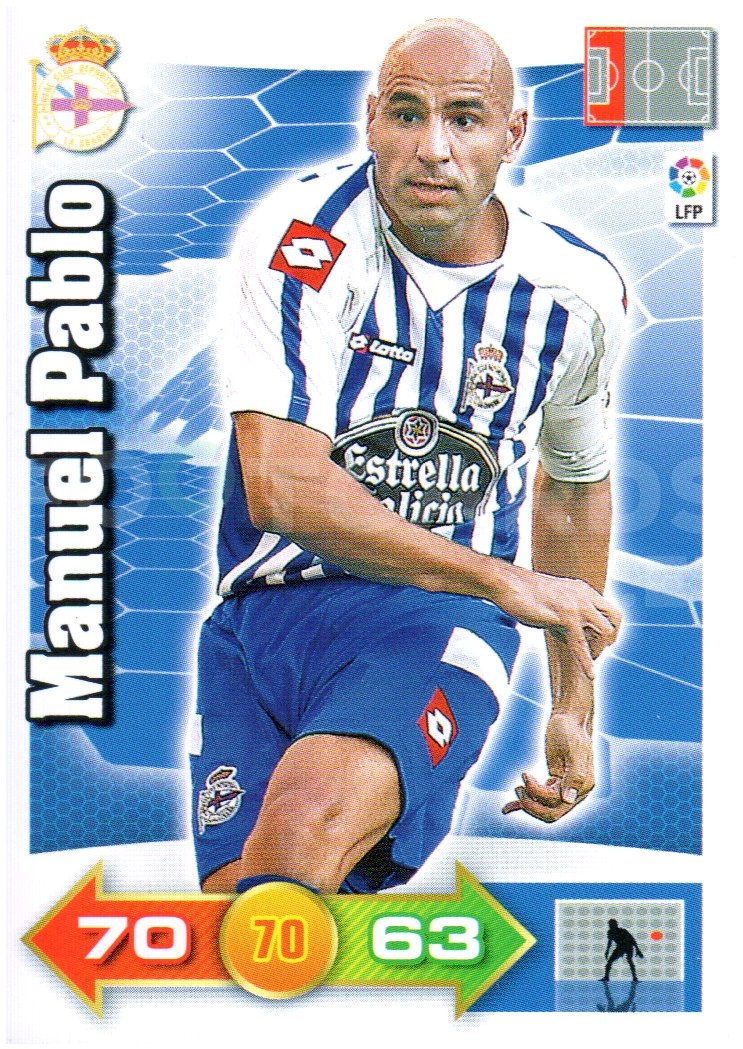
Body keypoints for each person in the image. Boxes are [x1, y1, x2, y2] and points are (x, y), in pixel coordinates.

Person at [189, 18, 625, 895]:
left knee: (298, 840)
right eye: (405, 114)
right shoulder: (303, 243)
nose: (432, 148)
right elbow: (282, 486)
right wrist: (505, 577)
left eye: (464, 118)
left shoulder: (573, 294)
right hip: (260, 618)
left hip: (435, 617)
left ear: (512, 134)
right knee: (239, 926)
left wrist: (573, 705)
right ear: (369, 122)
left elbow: (572, 490)